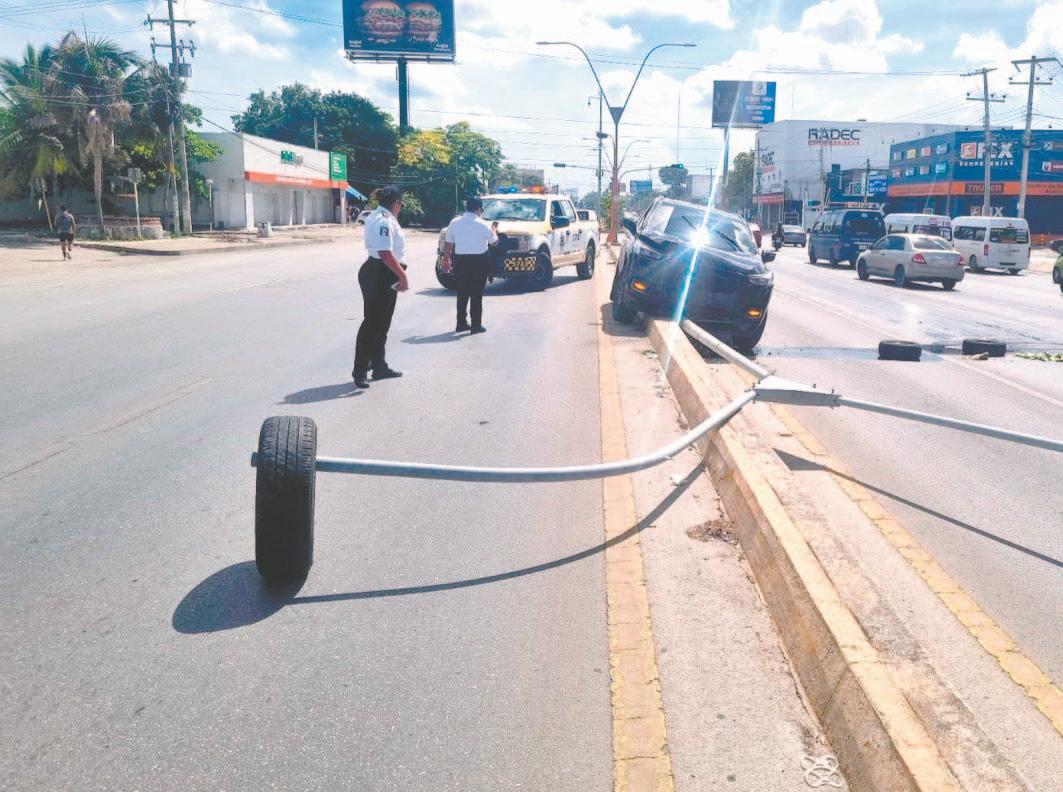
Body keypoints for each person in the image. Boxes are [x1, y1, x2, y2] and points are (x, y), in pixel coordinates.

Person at [353, 186, 408, 389]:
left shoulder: (379, 216)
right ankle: (360, 370)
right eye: (401, 204)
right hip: (380, 273)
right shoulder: (384, 220)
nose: (401, 207)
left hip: (380, 272)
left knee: (382, 323)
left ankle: (379, 365)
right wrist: (402, 276)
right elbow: (385, 252)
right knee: (372, 324)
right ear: (395, 203)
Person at [442, 197, 498, 334]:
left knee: (462, 293)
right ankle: (476, 325)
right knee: (476, 294)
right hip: (479, 261)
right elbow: (494, 242)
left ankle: (461, 323)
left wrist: (446, 260)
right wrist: (494, 230)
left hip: (460, 260)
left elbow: (449, 243)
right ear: (478, 209)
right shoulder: (483, 224)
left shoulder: (454, 222)